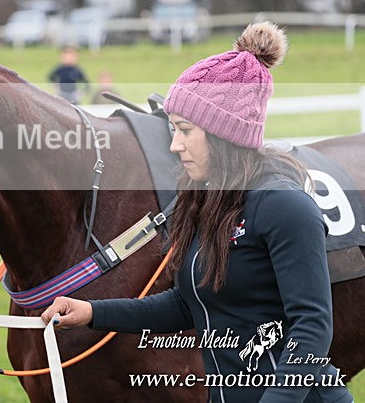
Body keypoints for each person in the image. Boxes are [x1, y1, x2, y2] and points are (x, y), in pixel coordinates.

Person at [42, 22, 353, 402]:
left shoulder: (284, 207)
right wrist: (92, 312)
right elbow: (189, 304)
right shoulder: (206, 202)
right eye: (174, 129)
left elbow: (312, 327)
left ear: (223, 134)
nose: (175, 145)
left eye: (185, 130)